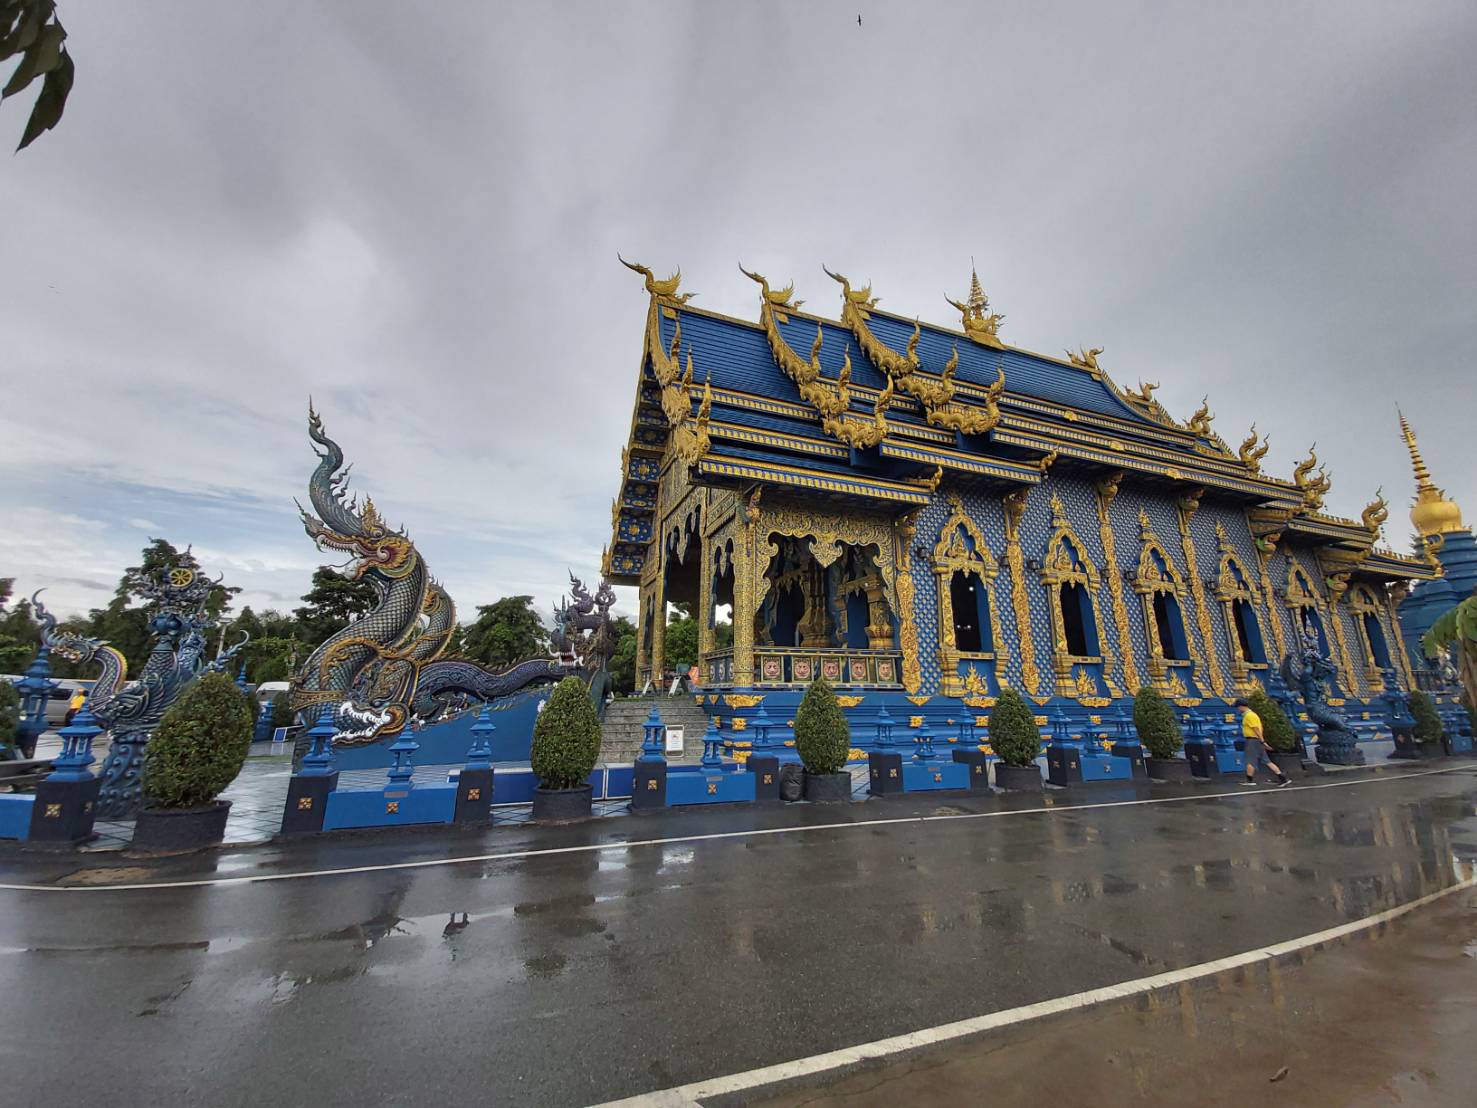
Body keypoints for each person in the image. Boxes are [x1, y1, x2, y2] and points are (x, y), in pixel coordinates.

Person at [1235, 697, 1288, 787]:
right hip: (1257, 740)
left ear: (1242, 706)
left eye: (1238, 707)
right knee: (1266, 761)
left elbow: (1256, 728)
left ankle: (1249, 780)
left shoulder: (1249, 716)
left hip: (1252, 740)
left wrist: (1262, 741)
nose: (1238, 709)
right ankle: (1282, 778)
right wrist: (1262, 741)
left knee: (1250, 760)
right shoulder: (1252, 715)